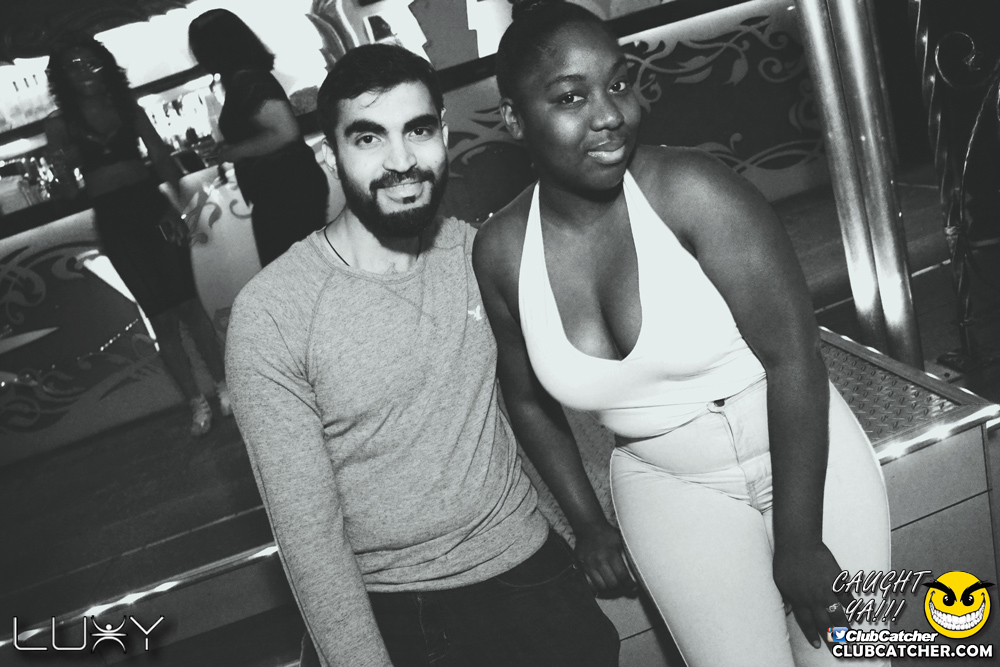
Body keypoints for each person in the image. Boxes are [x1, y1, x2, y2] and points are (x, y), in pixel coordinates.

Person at [472, 2, 892, 666]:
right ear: (515, 119)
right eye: (570, 97)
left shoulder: (693, 190)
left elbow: (795, 356)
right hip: (667, 486)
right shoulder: (500, 251)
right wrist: (588, 524)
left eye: (617, 84)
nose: (609, 114)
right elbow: (524, 399)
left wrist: (800, 539)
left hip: (805, 456)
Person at [224, 43, 620, 667]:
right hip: (398, 608)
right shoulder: (273, 314)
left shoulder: (479, 255)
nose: (401, 161)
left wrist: (593, 528)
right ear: (328, 154)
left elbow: (544, 408)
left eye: (418, 130)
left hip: (531, 571)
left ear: (443, 132)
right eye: (368, 138)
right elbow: (308, 536)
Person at [45, 35, 229, 437]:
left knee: (189, 306)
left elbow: (159, 155)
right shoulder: (59, 125)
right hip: (114, 219)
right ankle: (196, 402)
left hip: (151, 207)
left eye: (91, 62)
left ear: (106, 66)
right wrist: (62, 169)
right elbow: (68, 193)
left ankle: (223, 387)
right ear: (61, 77)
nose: (85, 71)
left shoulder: (126, 105)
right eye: (74, 66)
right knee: (160, 317)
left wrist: (180, 205)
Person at [188, 8, 329, 267]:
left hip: (287, 190)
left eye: (200, 50)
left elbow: (285, 131)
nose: (199, 58)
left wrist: (232, 151)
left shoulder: (248, 79)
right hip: (287, 187)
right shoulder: (246, 78)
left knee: (294, 276)